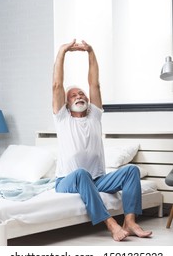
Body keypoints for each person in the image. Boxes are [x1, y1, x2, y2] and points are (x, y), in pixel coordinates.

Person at [52, 39, 152, 241]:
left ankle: (130, 222)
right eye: (73, 96)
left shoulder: (94, 116)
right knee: (81, 174)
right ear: (66, 103)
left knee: (132, 170)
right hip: (67, 181)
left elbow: (94, 83)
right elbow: (56, 85)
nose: (79, 95)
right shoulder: (62, 119)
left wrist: (90, 51)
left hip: (97, 180)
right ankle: (112, 224)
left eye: (81, 94)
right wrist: (62, 51)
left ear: (88, 101)